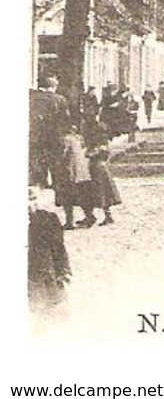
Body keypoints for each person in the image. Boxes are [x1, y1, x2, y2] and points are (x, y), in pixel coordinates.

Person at [28, 186, 71, 314]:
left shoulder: (48, 219)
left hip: (44, 275)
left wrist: (63, 270)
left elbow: (58, 248)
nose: (30, 206)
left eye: (32, 201)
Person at [29, 76, 71, 189]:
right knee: (56, 159)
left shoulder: (34, 98)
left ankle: (42, 181)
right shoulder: (60, 99)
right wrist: (65, 132)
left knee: (40, 157)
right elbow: (66, 118)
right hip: (55, 135)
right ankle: (56, 182)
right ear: (53, 87)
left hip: (38, 135)